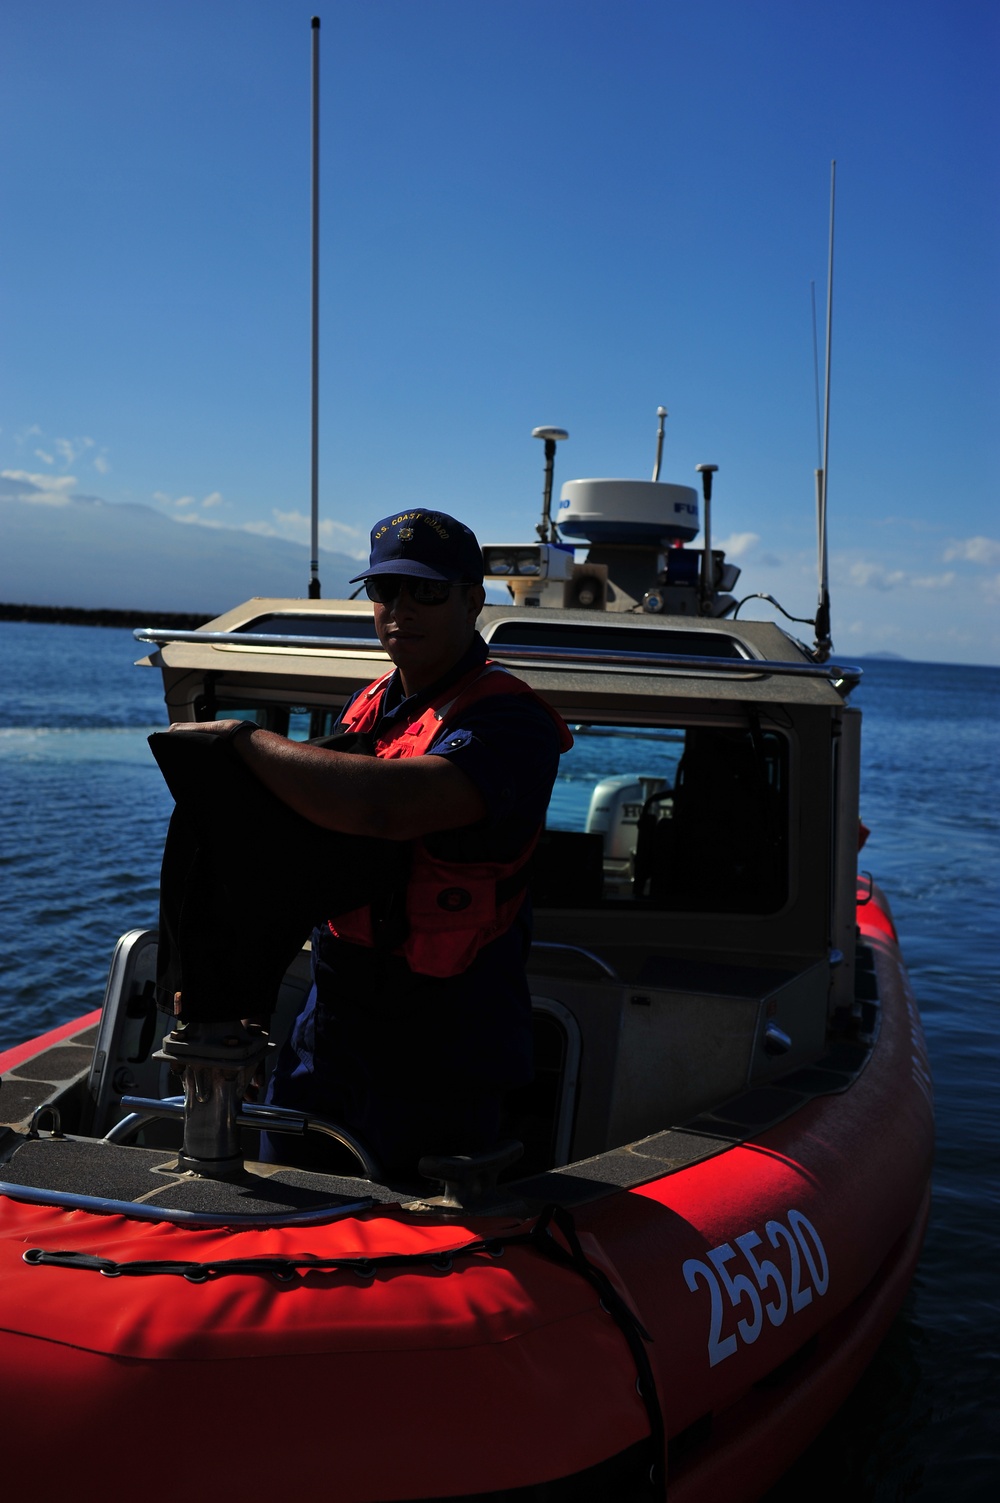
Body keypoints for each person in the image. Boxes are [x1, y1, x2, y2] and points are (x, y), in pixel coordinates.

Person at [165, 509, 570, 1180]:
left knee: (415, 1227)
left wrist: (242, 742)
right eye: (385, 591)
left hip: (446, 1039)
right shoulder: (369, 707)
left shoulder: (511, 721)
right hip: (332, 1024)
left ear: (473, 600)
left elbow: (385, 806)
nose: (400, 609)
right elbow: (290, 854)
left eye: (427, 591)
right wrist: (217, 972)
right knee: (281, 1189)